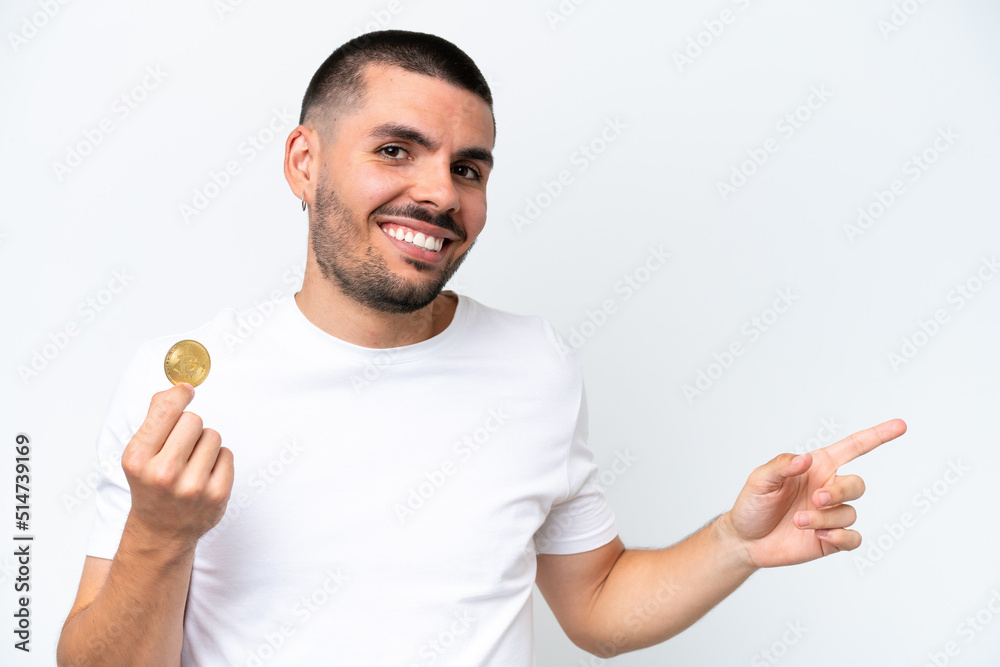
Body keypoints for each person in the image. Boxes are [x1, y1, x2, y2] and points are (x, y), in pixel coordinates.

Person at [57, 30, 906, 666]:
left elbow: (597, 604)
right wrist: (160, 535)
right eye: (396, 150)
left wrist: (736, 543)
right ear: (304, 163)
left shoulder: (536, 364)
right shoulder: (186, 382)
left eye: (469, 168)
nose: (438, 193)